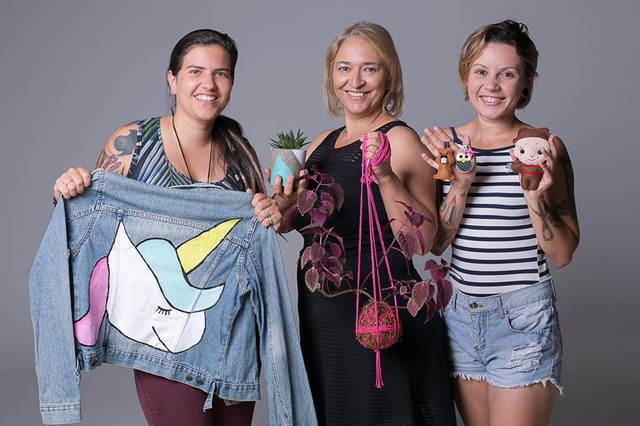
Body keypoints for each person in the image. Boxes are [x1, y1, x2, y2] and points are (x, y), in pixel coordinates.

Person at [52, 29, 283, 426]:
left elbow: (251, 238)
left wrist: (271, 211)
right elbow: (94, 222)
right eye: (195, 71)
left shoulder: (240, 151)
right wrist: (67, 190)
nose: (208, 84)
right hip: (162, 335)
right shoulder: (132, 143)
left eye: (221, 74)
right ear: (173, 80)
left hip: (231, 334)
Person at [273, 21, 457, 425]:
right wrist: (283, 204)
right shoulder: (322, 141)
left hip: (379, 313)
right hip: (324, 317)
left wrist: (386, 176)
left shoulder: (402, 139)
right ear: (331, 74)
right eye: (344, 68)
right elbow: (295, 224)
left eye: (369, 68)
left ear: (388, 75)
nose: (354, 80)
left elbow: (421, 240)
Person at [420, 20, 580, 426]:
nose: (491, 85)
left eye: (507, 73)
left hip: (522, 317)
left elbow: (561, 253)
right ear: (465, 76)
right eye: (481, 71)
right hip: (458, 314)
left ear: (525, 83)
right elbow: (437, 243)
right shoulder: (449, 146)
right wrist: (460, 186)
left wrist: (533, 195)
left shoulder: (544, 147)